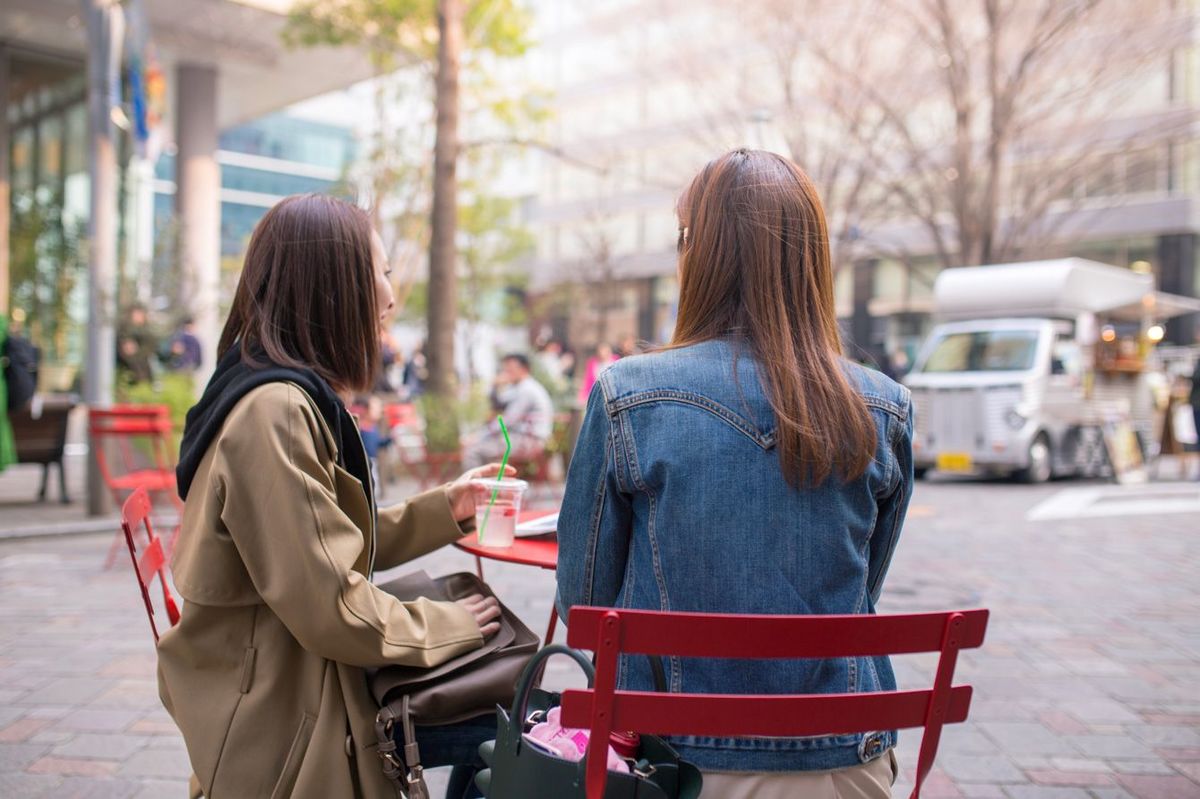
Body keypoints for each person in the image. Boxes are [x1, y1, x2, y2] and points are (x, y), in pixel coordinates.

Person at [556, 150, 912, 799]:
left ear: (699, 254)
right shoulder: (884, 406)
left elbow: (584, 608)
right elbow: (865, 583)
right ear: (812, 257)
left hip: (672, 764)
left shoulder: (627, 395)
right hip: (844, 762)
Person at [161, 194, 512, 799]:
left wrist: (443, 509)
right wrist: (446, 626)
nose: (389, 295)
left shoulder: (272, 390)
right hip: (287, 720)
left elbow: (324, 545)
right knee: (519, 729)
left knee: (503, 702)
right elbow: (333, 608)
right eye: (380, 272)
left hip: (290, 674)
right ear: (334, 286)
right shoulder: (276, 412)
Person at [464, 353, 554, 470]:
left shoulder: (527, 390)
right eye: (505, 369)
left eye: (510, 369)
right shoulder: (517, 387)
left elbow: (508, 420)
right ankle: (487, 485)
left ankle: (473, 487)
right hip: (517, 437)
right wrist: (494, 387)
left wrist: (478, 436)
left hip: (528, 440)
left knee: (472, 450)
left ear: (524, 369)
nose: (506, 373)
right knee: (481, 448)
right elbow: (498, 404)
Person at [117, 304, 158, 383]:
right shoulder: (125, 329)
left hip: (143, 368)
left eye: (140, 314)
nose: (138, 317)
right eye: (136, 314)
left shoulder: (147, 332)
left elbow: (151, 347)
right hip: (128, 370)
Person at [577, 342, 618, 406]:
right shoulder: (592, 363)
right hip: (597, 395)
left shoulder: (616, 361)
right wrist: (582, 396)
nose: (602, 353)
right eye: (600, 351)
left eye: (605, 351)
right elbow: (587, 380)